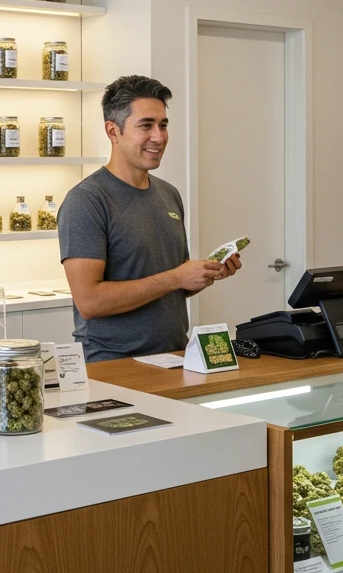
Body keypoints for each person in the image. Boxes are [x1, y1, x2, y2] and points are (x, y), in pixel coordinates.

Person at [58, 75, 242, 362]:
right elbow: (89, 301)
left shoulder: (168, 194)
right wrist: (175, 277)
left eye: (163, 125)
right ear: (113, 131)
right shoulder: (87, 200)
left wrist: (200, 276)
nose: (159, 136)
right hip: (114, 366)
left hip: (176, 357)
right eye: (146, 125)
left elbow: (170, 284)